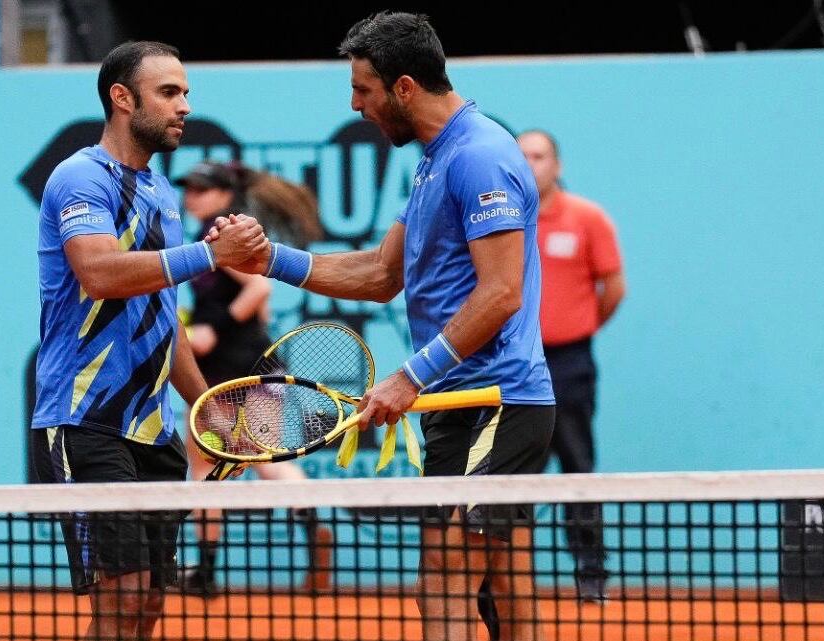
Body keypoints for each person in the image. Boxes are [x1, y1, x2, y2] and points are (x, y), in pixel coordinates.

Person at [207, 12, 554, 640]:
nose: (354, 103)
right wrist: (269, 261)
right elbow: (379, 274)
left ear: (403, 88)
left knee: (445, 576)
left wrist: (409, 376)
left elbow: (501, 294)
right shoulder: (434, 162)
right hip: (456, 402)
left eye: (362, 89)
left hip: (501, 400)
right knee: (504, 578)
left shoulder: (479, 156)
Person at [28, 41, 267, 640]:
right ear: (122, 98)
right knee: (122, 596)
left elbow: (165, 319)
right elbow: (100, 274)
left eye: (186, 93)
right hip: (84, 421)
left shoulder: (162, 194)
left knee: (149, 604)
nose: (184, 106)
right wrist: (212, 253)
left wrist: (210, 410)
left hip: (152, 431)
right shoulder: (81, 178)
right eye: (169, 93)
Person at [172, 160, 332, 595]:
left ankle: (204, 573)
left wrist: (211, 330)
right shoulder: (221, 236)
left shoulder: (219, 237)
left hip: (235, 369)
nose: (192, 196)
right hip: (246, 365)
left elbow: (260, 290)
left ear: (225, 195)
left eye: (202, 189)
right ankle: (310, 524)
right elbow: (258, 303)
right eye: (188, 188)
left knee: (216, 464)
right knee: (239, 462)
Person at [518, 129, 626, 602]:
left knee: (577, 466)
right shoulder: (502, 221)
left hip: (570, 362)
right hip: (515, 366)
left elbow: (613, 289)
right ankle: (511, 574)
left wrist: (577, 328)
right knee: (515, 473)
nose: (530, 164)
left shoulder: (588, 218)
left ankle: (591, 572)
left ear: (557, 165)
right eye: (521, 157)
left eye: (539, 156)